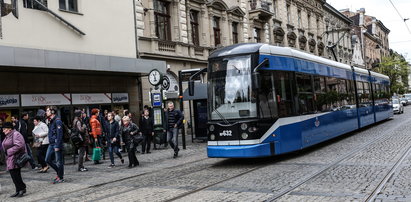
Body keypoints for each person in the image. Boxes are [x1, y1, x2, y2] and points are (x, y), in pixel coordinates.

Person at [2, 122, 27, 197]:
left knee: (16, 174)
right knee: (13, 175)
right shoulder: (8, 135)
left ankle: (22, 189)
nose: (3, 131)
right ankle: (18, 189)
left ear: (9, 129)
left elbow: (19, 145)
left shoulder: (16, 134)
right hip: (10, 158)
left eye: (4, 129)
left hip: (16, 157)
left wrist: (8, 151)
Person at [45, 106, 65, 184]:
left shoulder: (57, 121)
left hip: (56, 144)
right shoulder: (51, 121)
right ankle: (59, 172)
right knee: (47, 159)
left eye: (47, 111)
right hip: (51, 143)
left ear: (52, 112)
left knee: (59, 161)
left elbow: (60, 134)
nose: (46, 112)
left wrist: (57, 145)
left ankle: (60, 177)